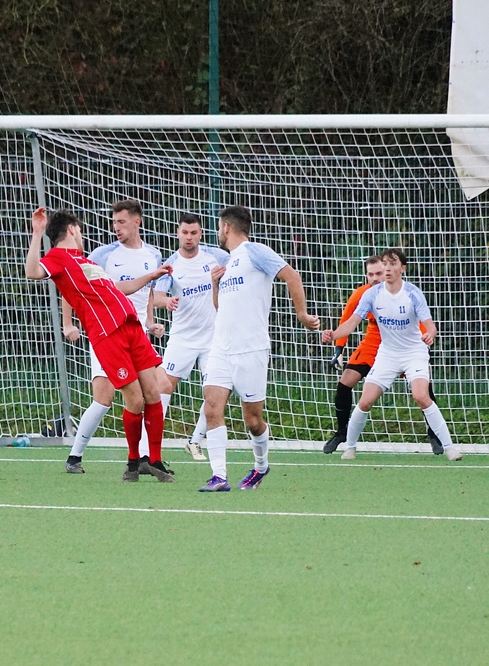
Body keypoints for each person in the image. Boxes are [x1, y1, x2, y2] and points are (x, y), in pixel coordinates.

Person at [26, 207, 173, 482]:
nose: (82, 235)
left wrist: (150, 277)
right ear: (72, 230)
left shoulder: (86, 262)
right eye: (80, 230)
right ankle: (133, 463)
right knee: (134, 399)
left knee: (154, 391)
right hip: (108, 334)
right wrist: (37, 234)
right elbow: (32, 271)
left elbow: (117, 288)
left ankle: (154, 461)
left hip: (132, 326)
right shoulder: (57, 258)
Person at [199, 206, 319, 492]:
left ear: (226, 228)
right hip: (221, 346)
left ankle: (261, 466)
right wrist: (215, 284)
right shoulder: (227, 264)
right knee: (212, 407)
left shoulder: (255, 251)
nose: (218, 233)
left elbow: (292, 276)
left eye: (218, 228)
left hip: (250, 348)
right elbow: (220, 308)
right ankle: (219, 476)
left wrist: (302, 314)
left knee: (252, 420)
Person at [321, 248, 461, 461]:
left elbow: (430, 326)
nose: (386, 269)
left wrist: (430, 335)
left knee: (421, 396)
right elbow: (350, 322)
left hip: (413, 352)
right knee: (365, 401)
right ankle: (349, 446)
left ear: (402, 268)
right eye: (384, 264)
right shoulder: (370, 294)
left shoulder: (413, 293)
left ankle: (448, 446)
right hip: (387, 353)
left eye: (392, 264)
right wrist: (334, 336)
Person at [151, 213, 230, 461]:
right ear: (178, 233)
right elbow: (157, 297)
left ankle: (195, 441)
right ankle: (151, 449)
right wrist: (167, 302)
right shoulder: (171, 264)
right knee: (162, 388)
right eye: (185, 232)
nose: (189, 237)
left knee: (217, 392)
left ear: (201, 234)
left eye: (194, 233)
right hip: (182, 339)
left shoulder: (217, 257)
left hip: (212, 339)